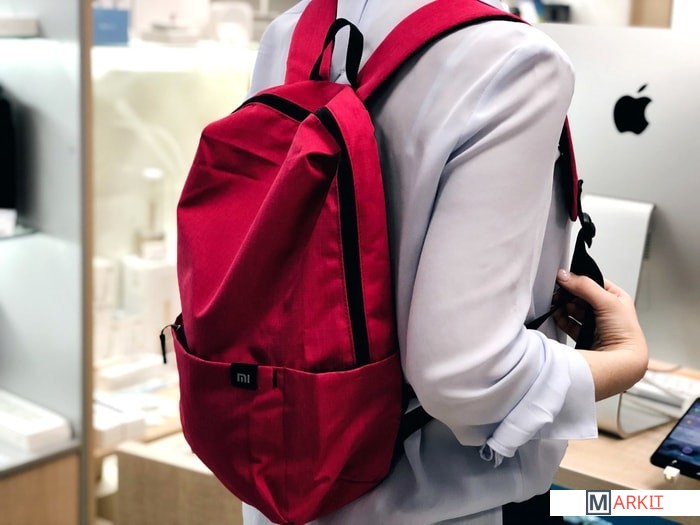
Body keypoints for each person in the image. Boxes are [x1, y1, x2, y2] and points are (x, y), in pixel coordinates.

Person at [242, 1, 649, 523]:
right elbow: (466, 378)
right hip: (440, 505)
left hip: (280, 475)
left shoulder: (292, 31)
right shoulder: (510, 58)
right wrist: (624, 361)